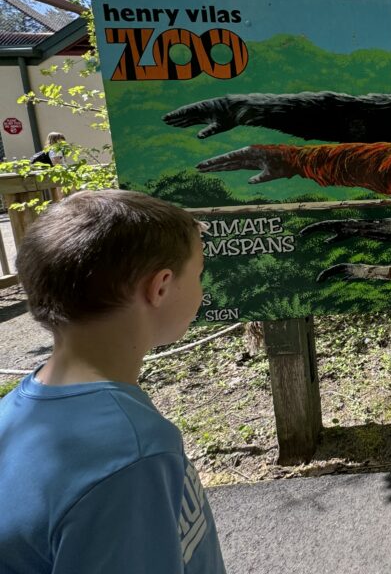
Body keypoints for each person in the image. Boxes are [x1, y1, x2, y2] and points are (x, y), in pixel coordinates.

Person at [0, 190, 226, 573]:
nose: (202, 290)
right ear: (160, 287)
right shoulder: (132, 455)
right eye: (199, 273)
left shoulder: (16, 413)